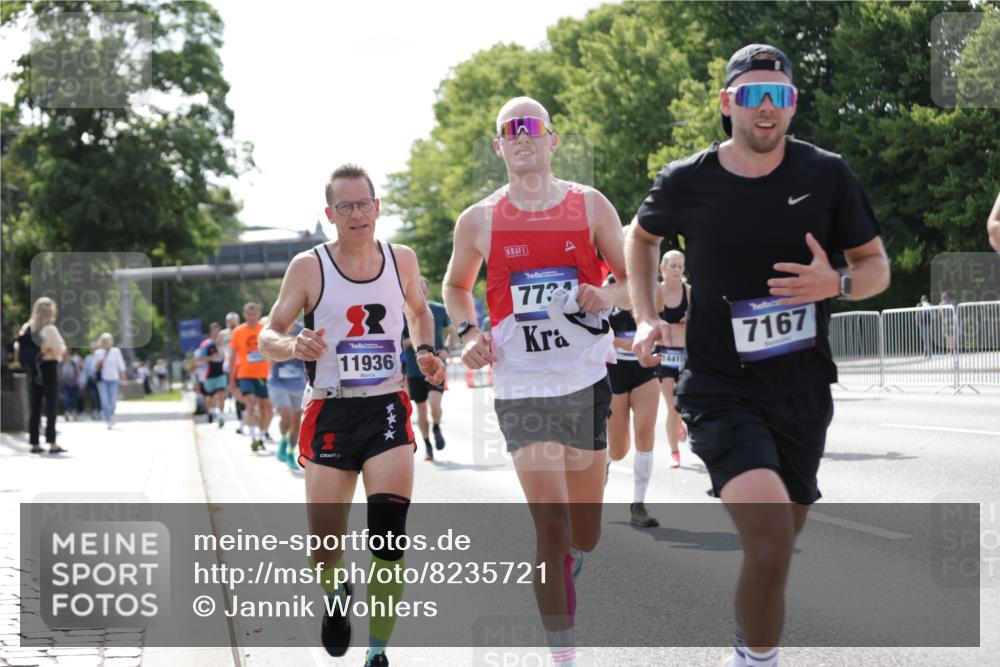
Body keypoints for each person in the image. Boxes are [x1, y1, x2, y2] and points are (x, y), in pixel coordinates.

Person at [625, 44, 891, 667]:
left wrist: (839, 285)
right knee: (771, 542)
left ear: (794, 105)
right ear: (728, 103)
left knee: (774, 551)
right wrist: (644, 316)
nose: (767, 108)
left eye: (781, 96)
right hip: (719, 385)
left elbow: (876, 266)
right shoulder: (688, 180)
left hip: (802, 391)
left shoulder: (826, 173)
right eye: (752, 95)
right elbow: (640, 240)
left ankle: (747, 643)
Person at [443, 96, 629, 667]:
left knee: (586, 532)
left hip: (585, 377)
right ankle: (563, 655)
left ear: (552, 140)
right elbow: (455, 287)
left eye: (533, 126)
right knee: (549, 525)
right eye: (510, 129)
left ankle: (578, 555)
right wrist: (469, 333)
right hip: (521, 383)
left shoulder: (590, 205)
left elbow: (632, 279)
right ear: (498, 147)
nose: (523, 136)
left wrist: (610, 294)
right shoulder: (479, 219)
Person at [259, 163, 445, 667]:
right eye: (346, 206)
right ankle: (337, 593)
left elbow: (420, 310)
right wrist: (291, 342)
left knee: (388, 537)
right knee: (324, 545)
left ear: (377, 207)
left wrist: (426, 348)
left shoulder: (401, 259)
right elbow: (267, 334)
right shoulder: (308, 267)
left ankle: (378, 651)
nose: (357, 214)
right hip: (331, 412)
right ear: (330, 214)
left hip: (386, 406)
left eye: (364, 203)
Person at [603, 275, 660, 528]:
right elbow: (596, 328)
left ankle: (639, 505)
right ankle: (603, 464)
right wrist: (620, 341)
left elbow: (661, 319)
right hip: (615, 370)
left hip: (644, 369)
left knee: (645, 434)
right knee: (618, 449)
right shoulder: (606, 286)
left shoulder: (649, 286)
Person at [400, 275, 455, 461]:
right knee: (421, 410)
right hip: (414, 369)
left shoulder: (438, 309)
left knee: (435, 404)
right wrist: (415, 342)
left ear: (427, 290)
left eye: (423, 289)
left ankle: (437, 427)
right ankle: (428, 446)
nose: (421, 293)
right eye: (417, 290)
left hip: (436, 364)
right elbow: (398, 343)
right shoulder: (403, 313)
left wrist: (446, 349)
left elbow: (452, 331)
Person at [15, 297, 67, 453]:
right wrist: (49, 351)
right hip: (49, 367)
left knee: (35, 405)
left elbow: (18, 347)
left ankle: (34, 443)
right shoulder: (50, 329)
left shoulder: (27, 328)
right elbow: (59, 351)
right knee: (51, 405)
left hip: (33, 369)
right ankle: (52, 442)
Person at [657, 249, 691, 467]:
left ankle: (680, 422)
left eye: (680, 266)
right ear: (663, 268)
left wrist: (692, 318)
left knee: (685, 404)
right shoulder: (656, 292)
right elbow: (645, 320)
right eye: (673, 266)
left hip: (687, 355)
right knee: (672, 406)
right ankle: (674, 452)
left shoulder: (689, 292)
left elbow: (705, 319)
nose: (677, 270)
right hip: (664, 355)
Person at [229, 302, 273, 451]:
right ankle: (253, 437)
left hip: (264, 374)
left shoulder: (265, 329)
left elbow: (273, 350)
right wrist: (231, 380)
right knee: (250, 402)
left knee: (265, 408)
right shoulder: (238, 332)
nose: (252, 317)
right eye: (249, 314)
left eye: (254, 314)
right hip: (245, 373)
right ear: (244, 315)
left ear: (259, 314)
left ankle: (261, 435)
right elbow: (232, 357)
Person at [266, 320, 307, 471]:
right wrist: (291, 350)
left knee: (297, 422)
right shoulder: (275, 328)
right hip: (278, 383)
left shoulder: (303, 329)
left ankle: (290, 453)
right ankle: (282, 443)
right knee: (287, 415)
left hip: (298, 382)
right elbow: (269, 357)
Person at [95, 332, 128, 429]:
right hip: (102, 380)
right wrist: (100, 361)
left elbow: (120, 363)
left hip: (114, 379)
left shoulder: (115, 351)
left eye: (108, 340)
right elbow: (95, 368)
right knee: (104, 401)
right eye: (104, 341)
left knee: (112, 401)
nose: (106, 342)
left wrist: (123, 374)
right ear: (101, 341)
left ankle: (111, 414)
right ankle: (108, 419)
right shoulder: (98, 352)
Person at [198, 323, 227, 424]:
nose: (216, 333)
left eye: (217, 331)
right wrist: (211, 358)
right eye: (214, 331)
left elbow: (228, 356)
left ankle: (221, 417)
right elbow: (200, 358)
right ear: (211, 332)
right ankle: (210, 412)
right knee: (209, 397)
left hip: (221, 374)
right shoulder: (206, 344)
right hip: (209, 375)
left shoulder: (223, 343)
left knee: (221, 394)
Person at [58, 349, 82, 421]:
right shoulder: (61, 363)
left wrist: (76, 381)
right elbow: (59, 373)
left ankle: (74, 412)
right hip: (64, 383)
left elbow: (77, 372)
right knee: (66, 398)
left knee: (73, 398)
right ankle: (67, 412)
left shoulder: (73, 363)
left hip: (73, 383)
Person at [83, 342, 102, 419]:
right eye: (92, 348)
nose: (93, 350)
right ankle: (94, 411)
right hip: (91, 380)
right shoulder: (87, 358)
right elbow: (86, 371)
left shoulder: (100, 357)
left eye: (95, 348)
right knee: (93, 397)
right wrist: (84, 381)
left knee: (99, 396)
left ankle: (100, 411)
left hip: (99, 379)